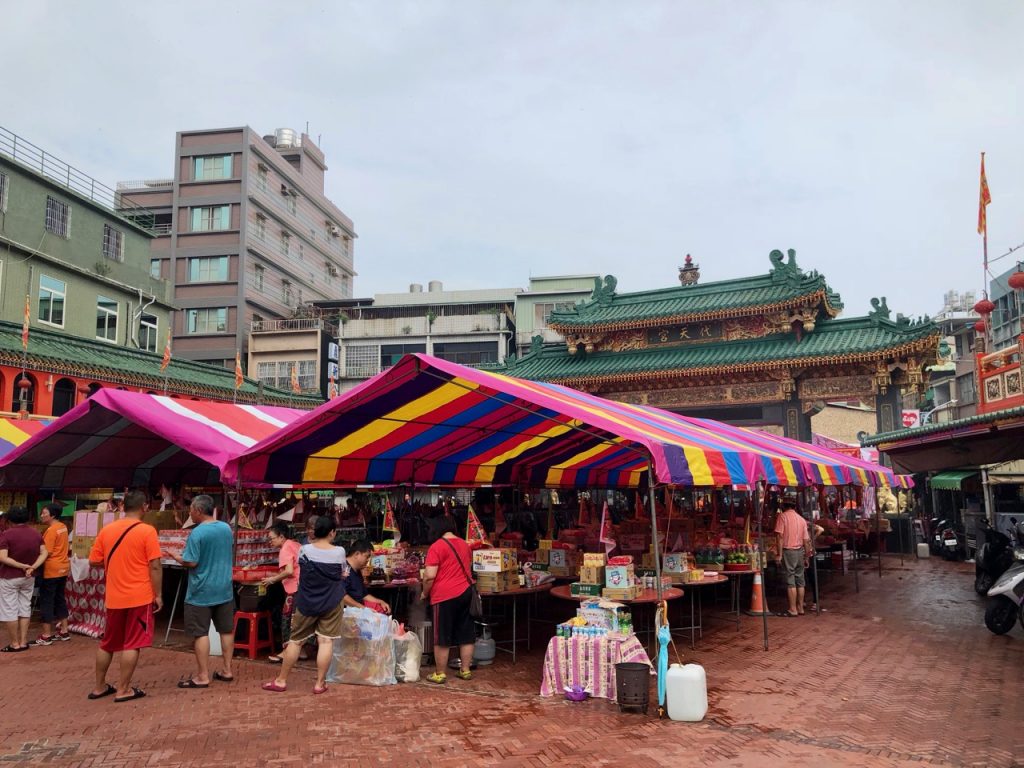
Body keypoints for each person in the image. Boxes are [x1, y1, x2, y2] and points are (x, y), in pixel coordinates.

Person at [88, 490, 162, 702]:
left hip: (114, 596)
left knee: (107, 643)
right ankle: (123, 689)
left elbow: (93, 560)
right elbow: (155, 566)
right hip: (140, 595)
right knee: (133, 643)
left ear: (122, 507)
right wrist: (158, 594)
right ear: (144, 507)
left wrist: (117, 563)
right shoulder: (147, 531)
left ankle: (99, 687)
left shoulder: (107, 530)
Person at [263, 516, 346, 695]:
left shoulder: (306, 550)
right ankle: (319, 683)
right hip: (332, 601)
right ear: (332, 533)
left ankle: (281, 680)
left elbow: (303, 570)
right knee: (325, 641)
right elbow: (342, 573)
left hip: (307, 601)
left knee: (296, 641)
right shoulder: (339, 551)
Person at [165, 494, 235, 688]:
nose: (190, 514)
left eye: (191, 511)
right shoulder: (226, 528)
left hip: (201, 591)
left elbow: (191, 561)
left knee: (200, 632)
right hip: (224, 588)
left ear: (197, 510)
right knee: (226, 630)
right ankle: (227, 669)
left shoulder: (197, 533)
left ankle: (203, 676)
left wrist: (176, 556)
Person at [421, 518, 475, 684]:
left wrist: (424, 593)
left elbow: (429, 576)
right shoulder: (465, 544)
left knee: (442, 635)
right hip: (466, 591)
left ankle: (440, 673)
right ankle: (465, 670)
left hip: (444, 595)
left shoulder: (436, 546)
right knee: (466, 633)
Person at [0, 506, 47, 653]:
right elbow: (44, 553)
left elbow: (2, 557)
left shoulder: (6, 535)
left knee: (9, 609)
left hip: (9, 576)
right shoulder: (36, 533)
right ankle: (24, 641)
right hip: (29, 577)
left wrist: (22, 566)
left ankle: (14, 643)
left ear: (10, 519)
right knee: (25, 607)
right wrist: (32, 567)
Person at [263, 522, 301, 664]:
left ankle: (286, 652)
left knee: (288, 621)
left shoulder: (285, 548)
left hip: (294, 589)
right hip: (303, 587)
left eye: (272, 538)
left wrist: (273, 579)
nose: (270, 541)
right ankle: (300, 652)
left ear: (281, 537)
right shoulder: (295, 544)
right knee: (298, 622)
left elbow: (289, 571)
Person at [34, 502, 71, 645]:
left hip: (51, 570)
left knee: (47, 601)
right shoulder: (63, 527)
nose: (42, 515)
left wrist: (34, 563)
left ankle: (46, 634)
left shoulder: (51, 531)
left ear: (53, 515)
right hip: (63, 568)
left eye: (44, 513)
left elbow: (46, 553)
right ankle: (64, 630)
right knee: (60, 599)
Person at [774, 501, 813, 617]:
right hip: (800, 551)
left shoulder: (782, 517)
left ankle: (792, 609)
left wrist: (779, 554)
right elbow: (806, 540)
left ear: (784, 507)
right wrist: (807, 556)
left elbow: (779, 536)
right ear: (795, 507)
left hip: (788, 551)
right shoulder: (801, 519)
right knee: (800, 580)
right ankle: (800, 607)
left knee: (790, 579)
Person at [341, 539, 391, 615]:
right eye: (367, 556)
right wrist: (364, 609)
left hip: (358, 609)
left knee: (382, 610)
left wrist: (380, 601)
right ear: (357, 554)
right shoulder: (344, 569)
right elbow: (342, 597)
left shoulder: (357, 570)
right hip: (347, 612)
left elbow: (363, 595)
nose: (368, 560)